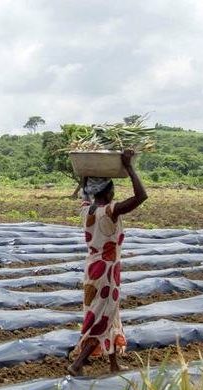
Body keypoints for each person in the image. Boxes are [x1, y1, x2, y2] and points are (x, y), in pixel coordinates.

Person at [68, 150, 148, 376]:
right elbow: (141, 196)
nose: (115, 191)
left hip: (95, 268)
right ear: (107, 191)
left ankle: (113, 364)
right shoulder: (110, 211)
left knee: (108, 313)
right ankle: (78, 364)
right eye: (112, 187)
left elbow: (85, 189)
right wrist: (129, 167)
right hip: (105, 272)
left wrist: (86, 172)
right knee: (102, 316)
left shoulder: (86, 210)